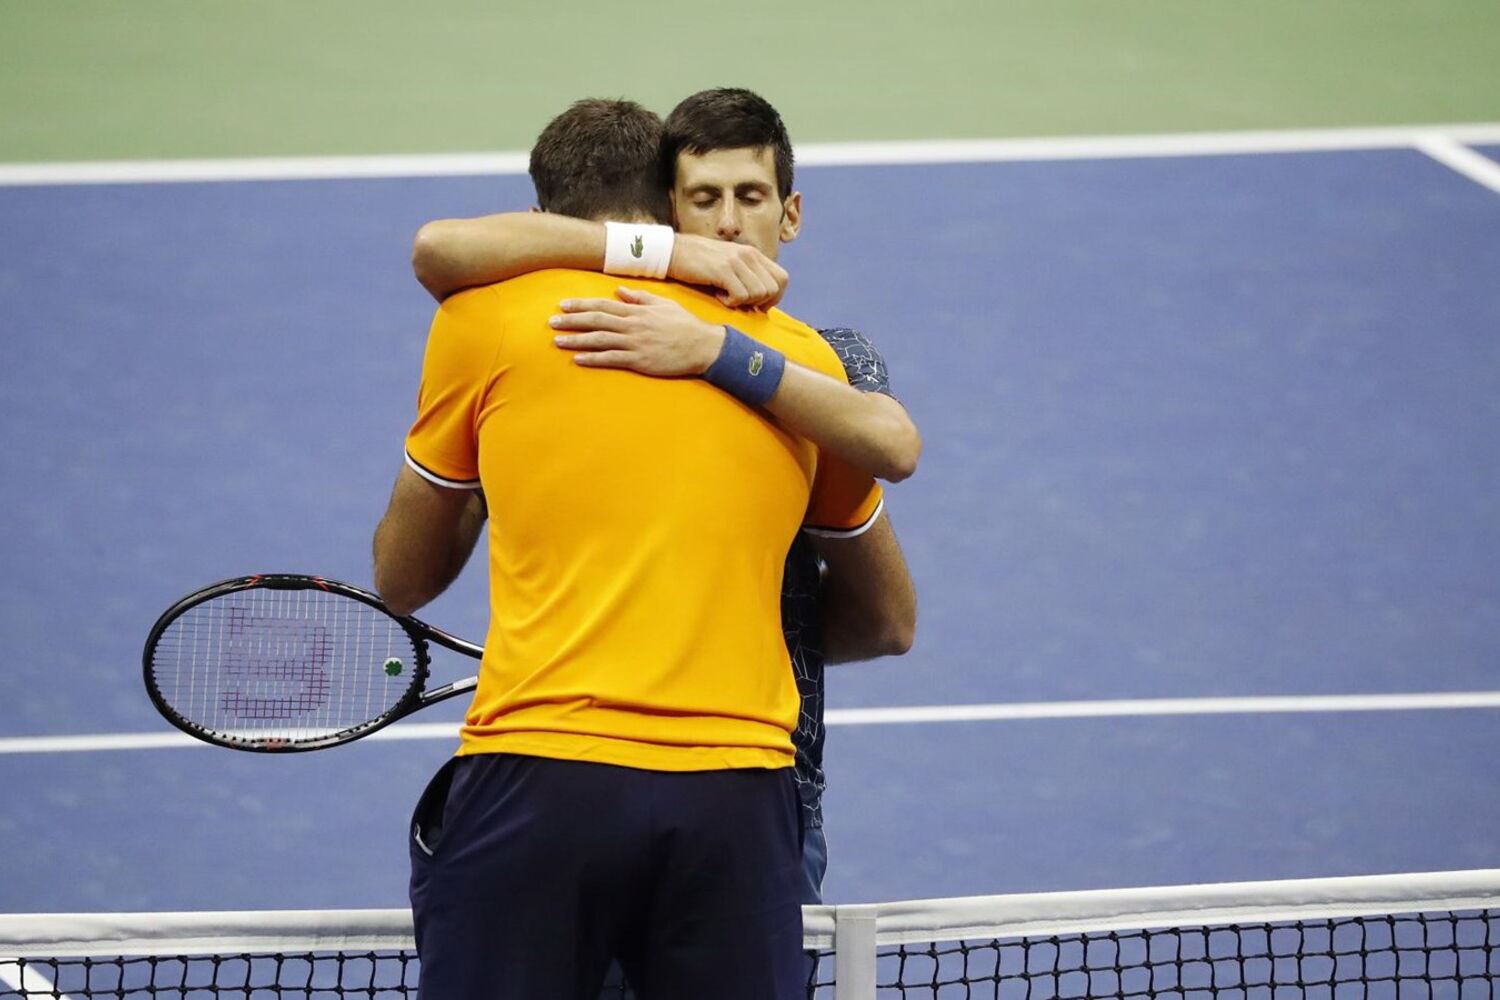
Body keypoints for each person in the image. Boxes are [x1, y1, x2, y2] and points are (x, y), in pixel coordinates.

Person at [373, 98, 907, 1000]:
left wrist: (488, 473)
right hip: (741, 792)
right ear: (669, 209)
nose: (728, 225)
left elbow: (403, 578)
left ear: (542, 224)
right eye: (707, 201)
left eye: (749, 197)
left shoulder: (485, 319)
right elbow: (889, 609)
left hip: (540, 774)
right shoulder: (809, 364)